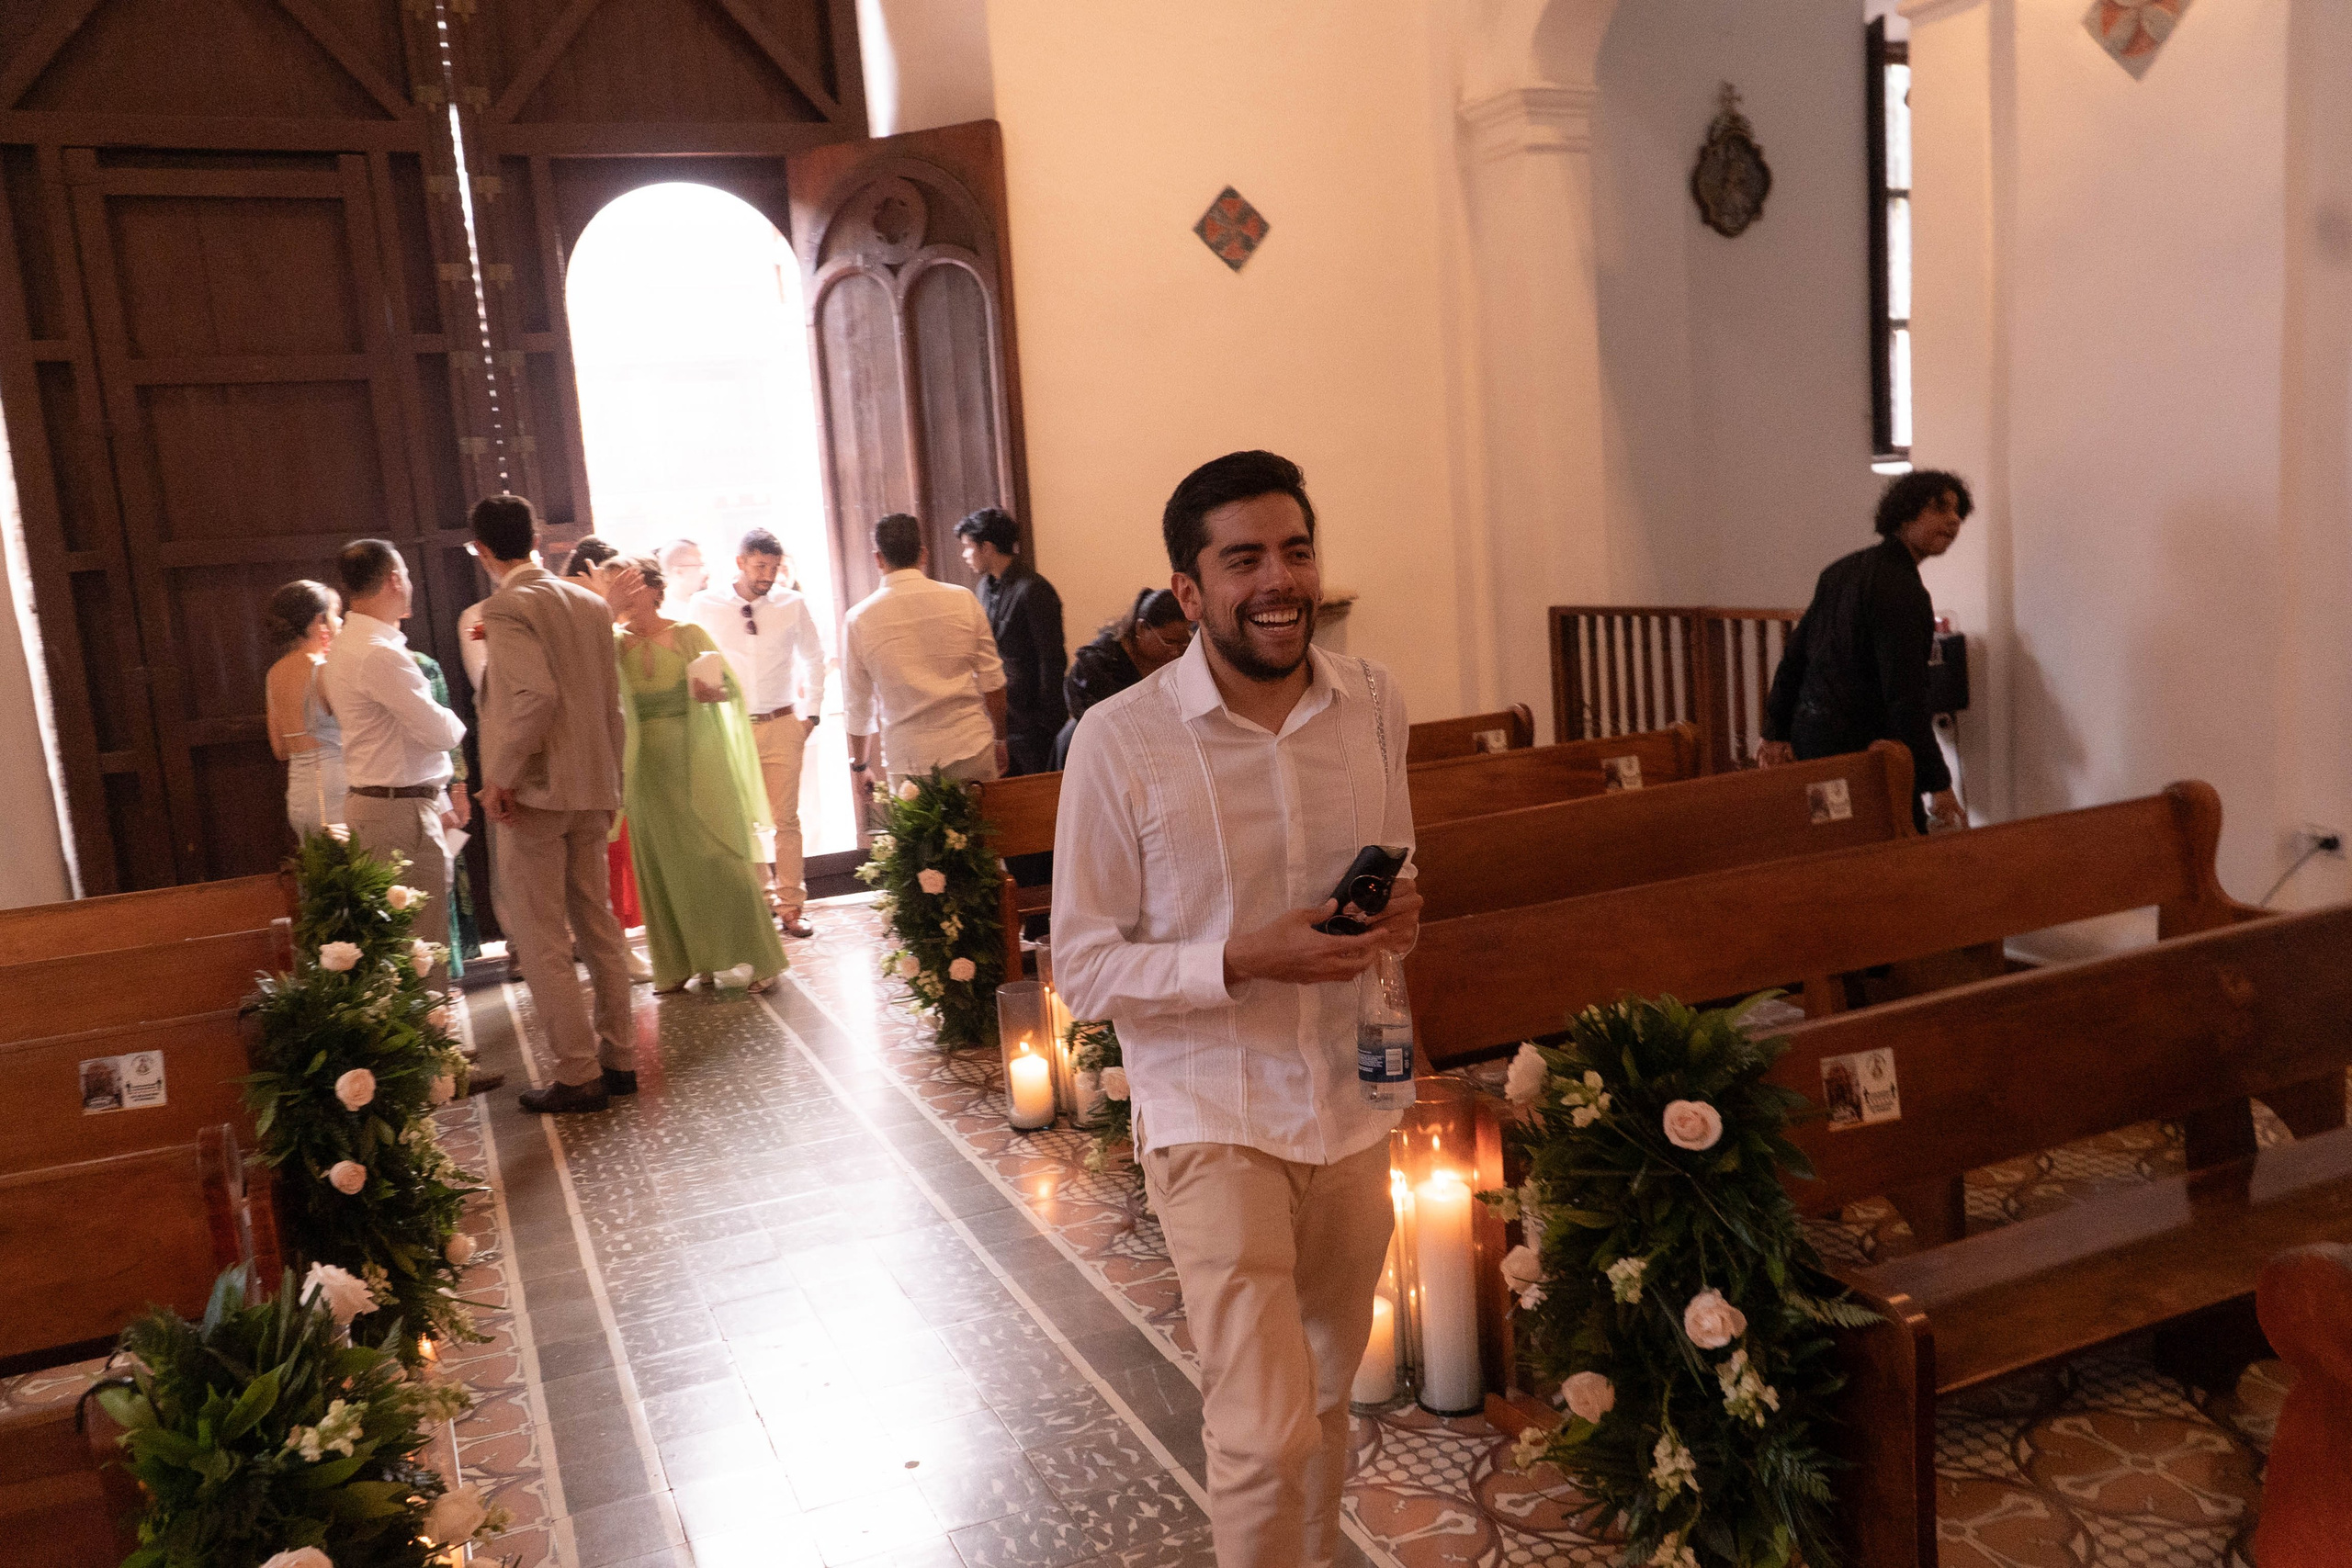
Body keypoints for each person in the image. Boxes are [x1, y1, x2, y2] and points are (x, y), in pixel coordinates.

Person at [1052, 450, 1419, 1568]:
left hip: (1354, 1105)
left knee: (1321, 1396)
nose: (1279, 580)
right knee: (1261, 1431)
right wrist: (1241, 959)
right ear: (1190, 590)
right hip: (1214, 1113)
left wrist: (1395, 920)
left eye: (1295, 550)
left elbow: (1403, 878)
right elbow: (1083, 968)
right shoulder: (1122, 738)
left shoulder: (1373, 703)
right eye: (1244, 557)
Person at [469, 496, 640, 1114]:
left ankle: (577, 1071)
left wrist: (500, 779)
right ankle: (621, 1059)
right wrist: (611, 779)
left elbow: (533, 698)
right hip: (592, 785)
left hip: (538, 791)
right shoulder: (589, 602)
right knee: (599, 925)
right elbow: (611, 706)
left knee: (542, 934)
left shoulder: (509, 603)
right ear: (535, 537)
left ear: (482, 549)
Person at [607, 555, 786, 996]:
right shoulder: (609, 642)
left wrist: (713, 692)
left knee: (719, 857)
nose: (622, 594)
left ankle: (762, 958)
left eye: (628, 584)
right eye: (614, 587)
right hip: (644, 769)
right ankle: (680, 962)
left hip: (696, 762)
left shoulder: (688, 634)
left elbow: (732, 692)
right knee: (662, 863)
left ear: (652, 588)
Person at [1760, 469, 1970, 832]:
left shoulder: (1840, 571)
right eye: (1940, 509)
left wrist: (1775, 731)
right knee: (1891, 856)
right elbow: (1905, 696)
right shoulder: (1902, 589)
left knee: (1834, 848)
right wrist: (1939, 783)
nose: (1953, 520)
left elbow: (1795, 658)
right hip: (1865, 752)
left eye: (1958, 512)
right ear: (1905, 514)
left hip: (1813, 741)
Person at [322, 540, 466, 989]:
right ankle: (434, 1053)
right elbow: (442, 732)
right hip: (398, 812)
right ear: (393, 580)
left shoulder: (348, 645)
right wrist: (454, 720)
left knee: (403, 949)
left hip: (380, 804)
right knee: (422, 952)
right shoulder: (379, 653)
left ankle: (429, 1049)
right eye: (405, 574)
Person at [686, 528, 828, 938]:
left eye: (774, 567)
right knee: (742, 821)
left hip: (783, 721)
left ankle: (791, 907)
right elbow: (695, 661)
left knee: (786, 819)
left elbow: (815, 659)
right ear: (741, 562)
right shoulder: (705, 604)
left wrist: (812, 717)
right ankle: (758, 901)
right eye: (760, 566)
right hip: (731, 726)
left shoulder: (791, 603)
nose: (767, 574)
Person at [842, 513, 1009, 788]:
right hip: (971, 747)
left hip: (909, 760)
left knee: (919, 833)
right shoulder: (963, 600)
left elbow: (858, 705)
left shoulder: (858, 619)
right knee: (983, 831)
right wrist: (1000, 739)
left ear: (878, 559)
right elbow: (993, 682)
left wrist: (861, 766)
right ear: (923, 555)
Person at [956, 507, 1066, 775]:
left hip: (1033, 722)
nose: (965, 555)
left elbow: (1051, 660)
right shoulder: (984, 587)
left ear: (988, 547)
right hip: (1002, 716)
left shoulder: (1033, 588)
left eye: (969, 547)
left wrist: (1045, 722)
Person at [1051, 587, 1192, 769]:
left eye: (1184, 642)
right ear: (1141, 628)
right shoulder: (1096, 665)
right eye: (1169, 641)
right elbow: (1104, 728)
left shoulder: (1177, 657)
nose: (1176, 651)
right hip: (1093, 755)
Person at [263, 580, 346, 838]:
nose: (340, 623)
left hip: (300, 793)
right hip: (338, 788)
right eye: (336, 616)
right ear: (320, 621)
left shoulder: (274, 673)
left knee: (320, 874)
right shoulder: (324, 670)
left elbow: (280, 749)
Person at [655, 537, 707, 615]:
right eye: (699, 567)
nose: (706, 573)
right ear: (679, 572)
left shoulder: (709, 606)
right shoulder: (662, 614)